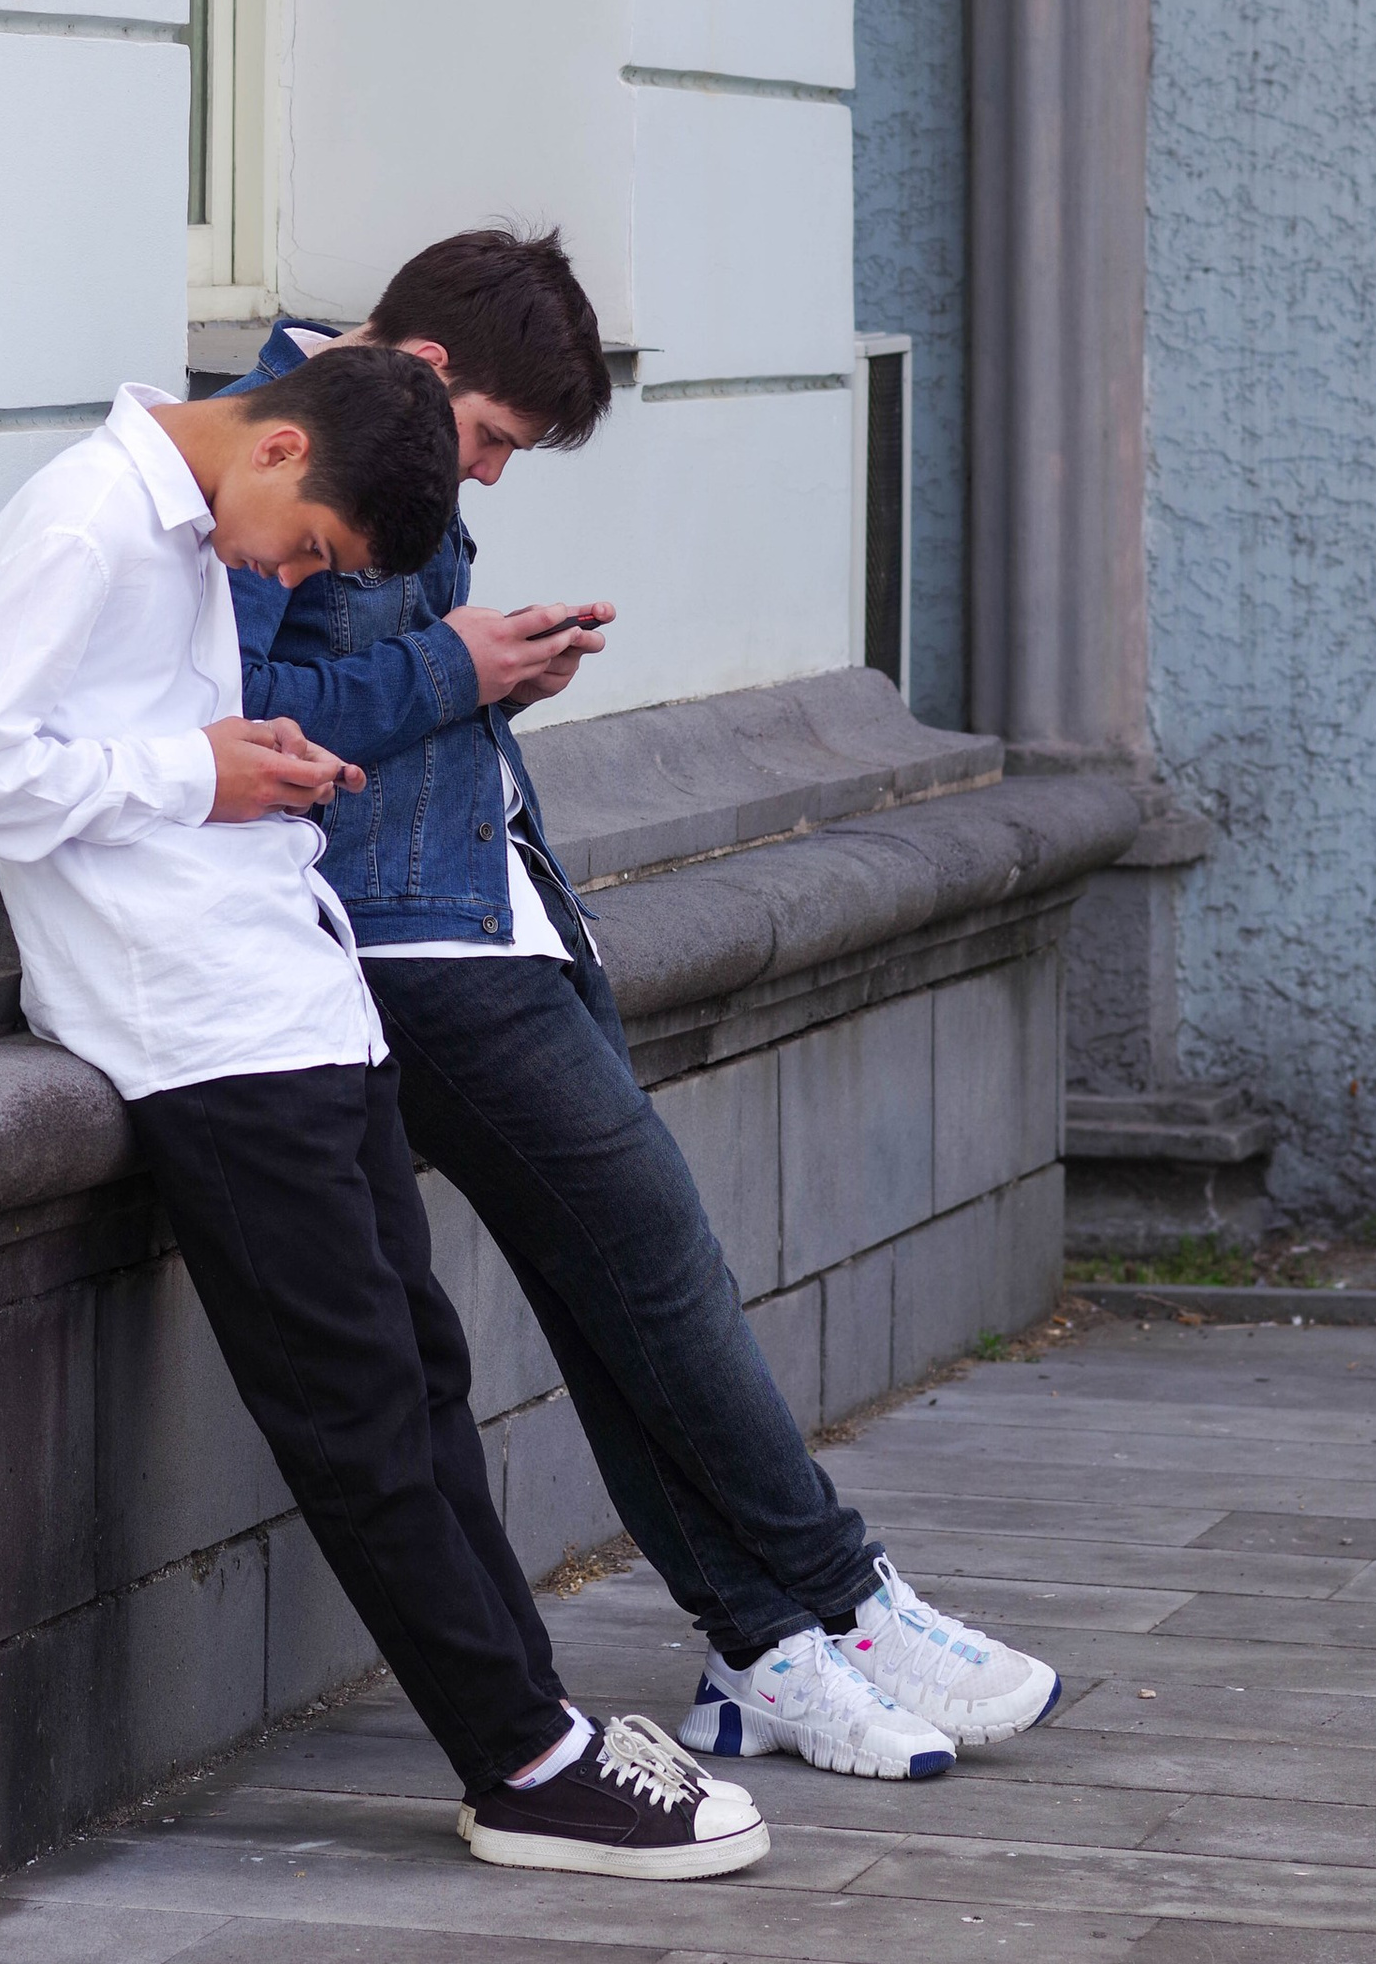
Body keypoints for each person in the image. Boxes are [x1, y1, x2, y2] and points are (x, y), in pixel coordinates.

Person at [0, 340, 765, 1879]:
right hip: (196, 1024)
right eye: (311, 550)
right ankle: (522, 1760)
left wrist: (257, 766)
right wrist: (193, 773)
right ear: (280, 447)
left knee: (420, 1372)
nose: (289, 573)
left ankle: (539, 1724)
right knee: (358, 1405)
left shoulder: (183, 519)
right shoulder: (91, 520)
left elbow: (158, 747)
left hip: (294, 986)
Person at [230, 234, 1062, 1785]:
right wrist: (455, 670)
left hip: (508, 911)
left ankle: (760, 1646)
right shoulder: (270, 448)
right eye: (486, 440)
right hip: (408, 957)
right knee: (661, 1272)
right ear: (418, 370)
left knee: (624, 1299)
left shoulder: (373, 433)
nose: (483, 478)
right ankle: (845, 1596)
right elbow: (239, 732)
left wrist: (487, 679)